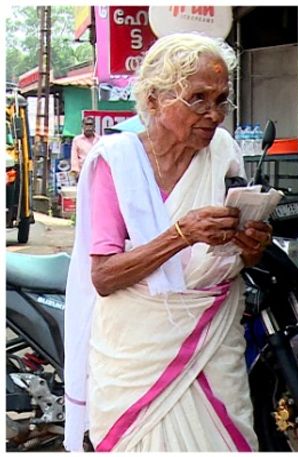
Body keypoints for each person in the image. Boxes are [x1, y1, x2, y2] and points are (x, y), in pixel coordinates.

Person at [64, 33, 272, 451]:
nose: (213, 114)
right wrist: (182, 234)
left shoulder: (223, 154)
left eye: (220, 100)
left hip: (213, 347)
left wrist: (250, 247)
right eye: (197, 98)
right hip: (136, 354)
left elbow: (224, 262)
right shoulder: (116, 164)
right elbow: (104, 277)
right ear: (155, 100)